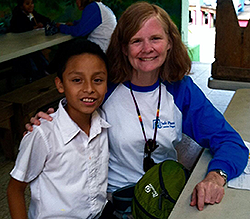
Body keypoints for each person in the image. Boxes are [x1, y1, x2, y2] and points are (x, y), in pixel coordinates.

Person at [25, 1, 249, 213]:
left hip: (162, 196)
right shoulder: (105, 87)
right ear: (123, 48)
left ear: (169, 42)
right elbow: (71, 110)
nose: (147, 49)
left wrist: (215, 176)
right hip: (112, 202)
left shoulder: (181, 90)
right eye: (136, 41)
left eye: (155, 38)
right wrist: (48, 121)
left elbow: (230, 141)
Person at [7, 38, 113, 219]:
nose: (89, 88)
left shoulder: (103, 122)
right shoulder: (43, 133)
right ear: (60, 84)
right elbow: (15, 190)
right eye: (77, 80)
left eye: (98, 79)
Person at [10, 0, 51, 83]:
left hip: (32, 45)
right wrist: (32, 27)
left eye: (32, 3)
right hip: (21, 48)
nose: (31, 6)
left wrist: (41, 24)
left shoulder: (33, 14)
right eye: (27, 4)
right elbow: (18, 29)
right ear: (21, 6)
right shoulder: (17, 17)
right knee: (33, 66)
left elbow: (46, 20)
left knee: (42, 62)